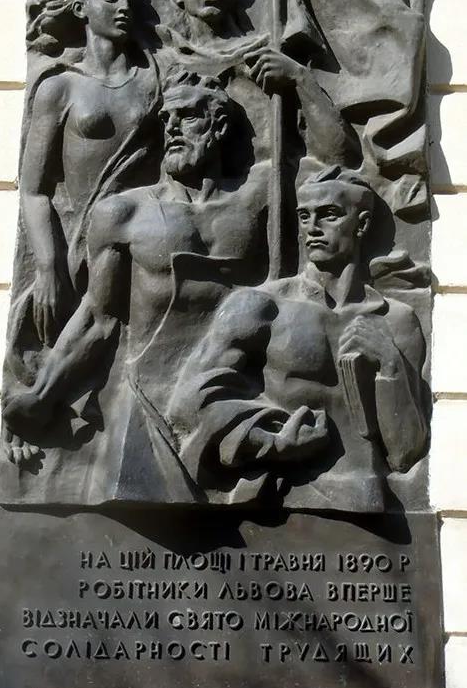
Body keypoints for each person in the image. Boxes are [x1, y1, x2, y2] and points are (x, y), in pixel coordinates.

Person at [3, 68, 269, 469]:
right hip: (150, 397)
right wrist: (41, 397)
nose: (173, 129)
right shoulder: (123, 213)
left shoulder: (259, 194)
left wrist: (298, 80)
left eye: (188, 116)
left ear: (218, 126)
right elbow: (98, 317)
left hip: (239, 393)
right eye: (166, 119)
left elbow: (340, 163)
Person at [167, 165, 428, 508]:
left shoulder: (397, 320)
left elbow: (405, 456)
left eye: (329, 214)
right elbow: (189, 402)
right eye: (305, 216)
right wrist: (268, 440)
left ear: (362, 224)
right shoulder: (261, 306)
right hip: (277, 506)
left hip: (365, 501)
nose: (313, 228)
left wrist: (390, 366)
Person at [19, 0, 161, 347]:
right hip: (81, 246)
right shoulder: (60, 87)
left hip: (145, 241)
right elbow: (34, 190)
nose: (123, 8)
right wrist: (46, 268)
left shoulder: (153, 84)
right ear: (81, 8)